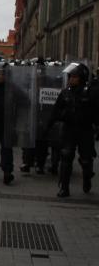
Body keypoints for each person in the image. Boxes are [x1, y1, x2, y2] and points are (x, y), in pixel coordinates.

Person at [47, 63, 97, 198]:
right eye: (70, 76)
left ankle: (87, 177)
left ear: (82, 77)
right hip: (69, 129)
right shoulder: (65, 93)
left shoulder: (90, 92)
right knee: (66, 157)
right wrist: (49, 126)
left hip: (85, 131)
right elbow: (55, 111)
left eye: (74, 77)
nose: (71, 79)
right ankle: (64, 187)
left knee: (86, 160)